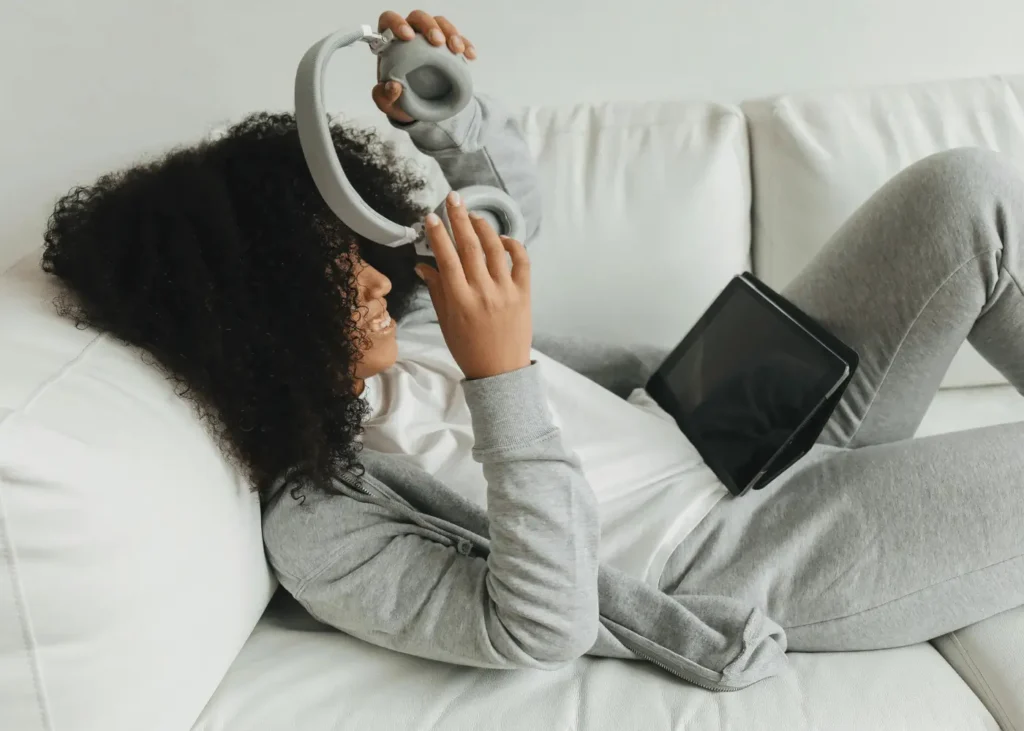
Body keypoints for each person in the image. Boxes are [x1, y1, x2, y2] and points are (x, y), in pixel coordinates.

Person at [40, 9, 1024, 691]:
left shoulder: (415, 327)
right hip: (747, 549)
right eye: (336, 279)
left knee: (964, 191)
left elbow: (506, 215)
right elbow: (533, 626)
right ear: (254, 321)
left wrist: (445, 117)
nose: (377, 278)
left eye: (354, 252)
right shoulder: (321, 522)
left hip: (740, 412)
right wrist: (498, 376)